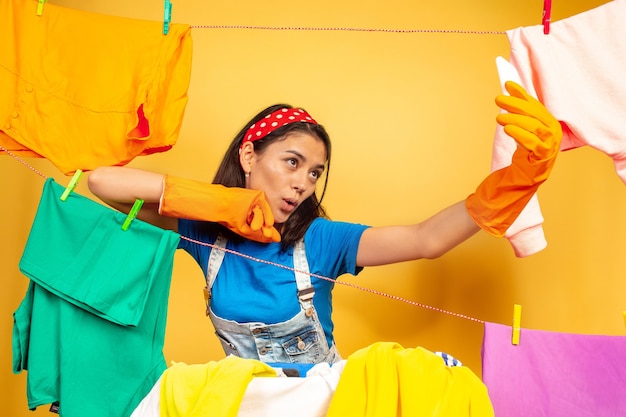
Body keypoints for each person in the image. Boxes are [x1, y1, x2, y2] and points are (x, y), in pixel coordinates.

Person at [88, 81, 562, 365]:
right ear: (249, 155)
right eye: (292, 163)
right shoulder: (202, 235)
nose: (303, 184)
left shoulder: (320, 240)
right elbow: (102, 183)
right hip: (245, 404)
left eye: (314, 173)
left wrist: (516, 182)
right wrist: (216, 203)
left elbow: (427, 239)